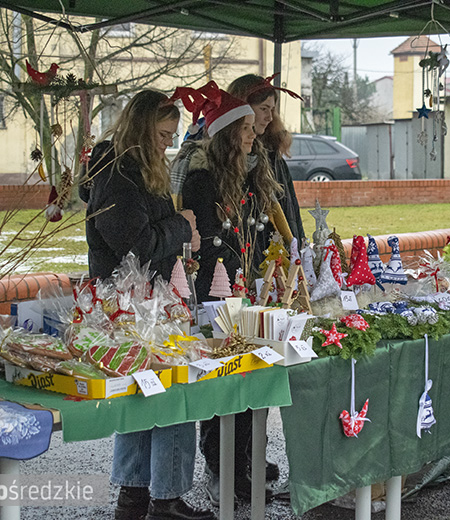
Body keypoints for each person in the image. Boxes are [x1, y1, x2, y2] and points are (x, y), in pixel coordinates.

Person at [79, 89, 213, 520]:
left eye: (172, 135)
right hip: (131, 305)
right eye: (161, 135)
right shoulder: (117, 174)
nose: (168, 144)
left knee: (147, 393)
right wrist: (180, 226)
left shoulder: (134, 168)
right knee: (167, 391)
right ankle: (161, 497)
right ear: (139, 129)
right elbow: (132, 244)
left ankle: (138, 495)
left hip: (145, 301)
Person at [168, 82, 282, 505]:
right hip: (215, 300)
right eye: (248, 127)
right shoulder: (203, 180)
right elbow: (209, 242)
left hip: (245, 294)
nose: (255, 134)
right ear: (230, 133)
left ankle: (246, 468)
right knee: (224, 392)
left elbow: (258, 231)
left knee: (251, 389)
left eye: (256, 126)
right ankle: (222, 471)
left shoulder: (249, 175)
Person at [227, 73, 305, 242]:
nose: (269, 117)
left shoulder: (272, 153)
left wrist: (298, 245)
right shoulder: (229, 159)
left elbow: (290, 209)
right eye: (263, 109)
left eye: (272, 110)